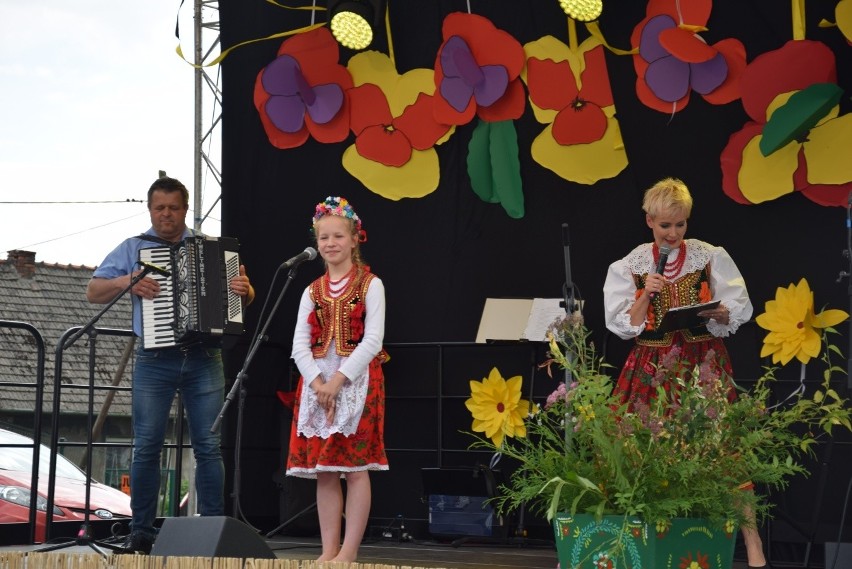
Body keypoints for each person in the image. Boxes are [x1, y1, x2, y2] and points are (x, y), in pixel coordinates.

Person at [603, 177, 768, 568]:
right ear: (649, 222)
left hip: (702, 361)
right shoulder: (630, 266)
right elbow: (623, 325)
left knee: (723, 449)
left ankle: (753, 545)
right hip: (651, 365)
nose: (673, 233)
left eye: (680, 224)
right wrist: (648, 293)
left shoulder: (709, 256)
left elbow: (738, 307)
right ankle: (637, 544)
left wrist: (721, 312)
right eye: (665, 226)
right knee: (639, 448)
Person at [86, 176, 255, 554]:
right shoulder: (134, 248)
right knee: (146, 446)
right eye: (159, 208)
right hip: (154, 358)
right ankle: (141, 530)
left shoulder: (211, 249)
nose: (166, 214)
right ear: (150, 209)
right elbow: (93, 292)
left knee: (208, 446)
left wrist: (246, 290)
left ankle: (213, 530)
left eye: (174, 208)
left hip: (204, 357)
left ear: (185, 208)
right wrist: (126, 281)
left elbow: (242, 294)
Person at [286, 196, 388, 563]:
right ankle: (328, 551)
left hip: (355, 382)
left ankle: (349, 552)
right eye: (323, 237)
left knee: (355, 469)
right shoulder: (310, 290)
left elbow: (373, 340)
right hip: (317, 384)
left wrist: (337, 381)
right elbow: (299, 344)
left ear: (354, 238)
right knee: (325, 471)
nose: (329, 244)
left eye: (337, 236)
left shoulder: (370, 285)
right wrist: (317, 385)